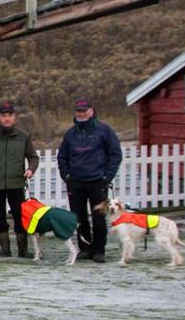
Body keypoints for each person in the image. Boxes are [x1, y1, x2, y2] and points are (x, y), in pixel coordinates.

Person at [58, 98, 122, 263]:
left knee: (99, 218)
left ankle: (99, 250)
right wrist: (67, 176)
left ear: (91, 111)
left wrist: (107, 176)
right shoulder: (71, 134)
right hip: (76, 182)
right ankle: (85, 249)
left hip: (98, 181)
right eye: (78, 111)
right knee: (79, 218)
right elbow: (62, 157)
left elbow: (116, 154)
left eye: (84, 110)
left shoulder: (104, 131)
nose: (81, 113)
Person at [0, 101, 39, 258]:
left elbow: (33, 157)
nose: (6, 119)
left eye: (9, 115)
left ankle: (23, 250)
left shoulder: (24, 136)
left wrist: (31, 169)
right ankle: (5, 249)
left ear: (14, 118)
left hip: (16, 183)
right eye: (3, 116)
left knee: (20, 217)